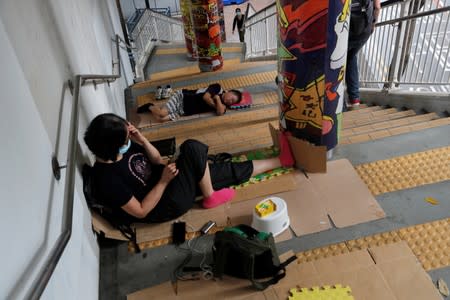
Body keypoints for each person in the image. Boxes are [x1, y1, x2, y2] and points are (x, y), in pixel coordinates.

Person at [84, 113, 295, 223]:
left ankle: (280, 162)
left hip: (168, 179)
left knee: (222, 171)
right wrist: (164, 181)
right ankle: (210, 195)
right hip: (165, 204)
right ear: (111, 145)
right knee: (192, 148)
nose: (129, 136)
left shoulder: (123, 148)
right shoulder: (108, 179)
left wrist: (142, 139)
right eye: (126, 136)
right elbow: (141, 211)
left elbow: (157, 161)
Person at [137, 83, 242, 122]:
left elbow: (220, 112)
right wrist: (216, 104)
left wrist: (217, 100)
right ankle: (149, 106)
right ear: (228, 91)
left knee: (161, 119)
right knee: (161, 114)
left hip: (184, 111)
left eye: (232, 102)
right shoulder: (217, 88)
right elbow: (205, 97)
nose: (229, 101)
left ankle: (151, 108)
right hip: (182, 97)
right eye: (231, 98)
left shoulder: (221, 103)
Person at [346, 0, 381, 107]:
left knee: (336, 59)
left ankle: (334, 100)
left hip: (344, 29)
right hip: (363, 29)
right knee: (351, 57)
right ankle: (354, 99)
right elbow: (377, 7)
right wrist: (373, 23)